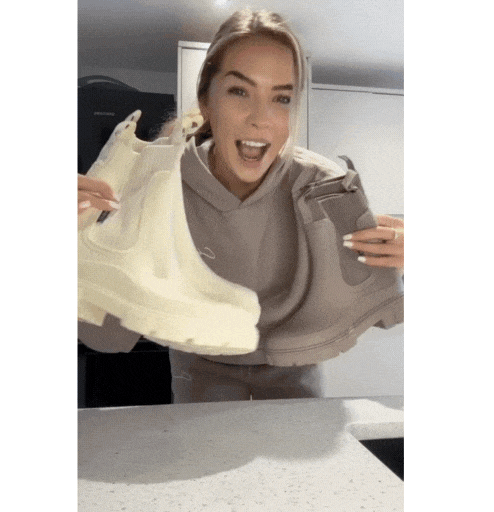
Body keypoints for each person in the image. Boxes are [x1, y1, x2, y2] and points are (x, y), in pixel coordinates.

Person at [78, 9, 404, 403]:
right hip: (199, 361)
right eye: (239, 91)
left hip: (294, 361)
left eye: (281, 98)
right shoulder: (158, 182)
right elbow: (103, 329)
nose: (261, 119)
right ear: (206, 100)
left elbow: (379, 298)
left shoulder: (323, 185)